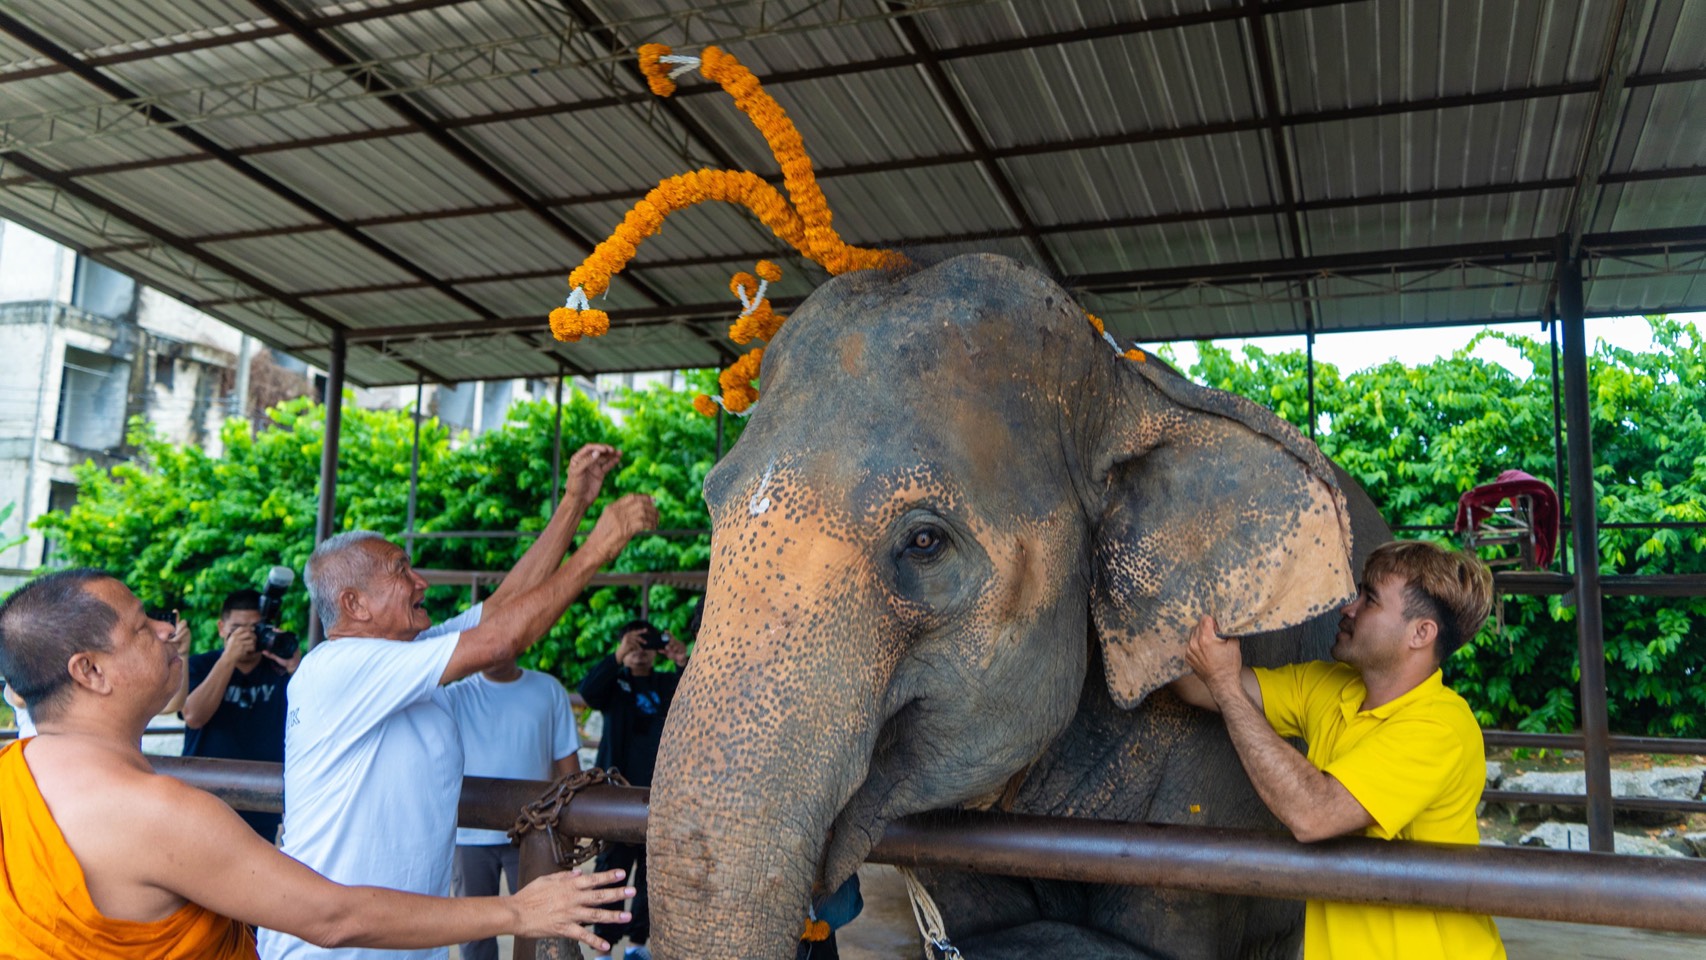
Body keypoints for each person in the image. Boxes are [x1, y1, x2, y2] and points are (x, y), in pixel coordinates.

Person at [0, 568, 635, 959]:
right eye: (143, 628)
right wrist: (518, 911)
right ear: (90, 671)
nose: (170, 632)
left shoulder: (14, 773)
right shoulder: (163, 814)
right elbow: (332, 917)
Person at [261, 443, 658, 960]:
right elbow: (500, 641)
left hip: (400, 945)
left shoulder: (404, 656)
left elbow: (503, 608)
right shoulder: (338, 666)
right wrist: (600, 547)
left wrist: (574, 503)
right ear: (354, 604)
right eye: (401, 571)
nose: (420, 581)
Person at [1170, 539, 1505, 960]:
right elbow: (1199, 685)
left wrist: (1223, 683)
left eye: (1370, 600)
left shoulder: (1441, 727)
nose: (1348, 607)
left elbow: (1314, 814)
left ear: (1420, 633)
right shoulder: (1329, 687)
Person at [444, 656, 582, 960]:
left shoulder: (549, 690)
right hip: (469, 837)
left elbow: (569, 769)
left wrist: (572, 827)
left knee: (542, 929)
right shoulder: (455, 695)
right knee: (474, 932)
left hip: (534, 834)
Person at [579, 616, 691, 960]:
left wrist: (682, 660)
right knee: (611, 872)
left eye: (646, 643)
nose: (640, 651)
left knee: (652, 874)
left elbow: (700, 697)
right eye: (633, 643)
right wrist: (618, 656)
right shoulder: (614, 684)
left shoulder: (667, 682)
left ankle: (638, 946)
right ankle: (603, 947)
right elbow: (588, 691)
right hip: (616, 796)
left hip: (661, 797)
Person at [180, 589, 299, 841]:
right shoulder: (200, 665)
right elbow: (193, 716)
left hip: (263, 802)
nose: (246, 637)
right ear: (221, 628)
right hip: (202, 800)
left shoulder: (281, 670)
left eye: (254, 629)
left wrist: (296, 668)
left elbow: (318, 718)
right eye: (237, 629)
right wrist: (228, 658)